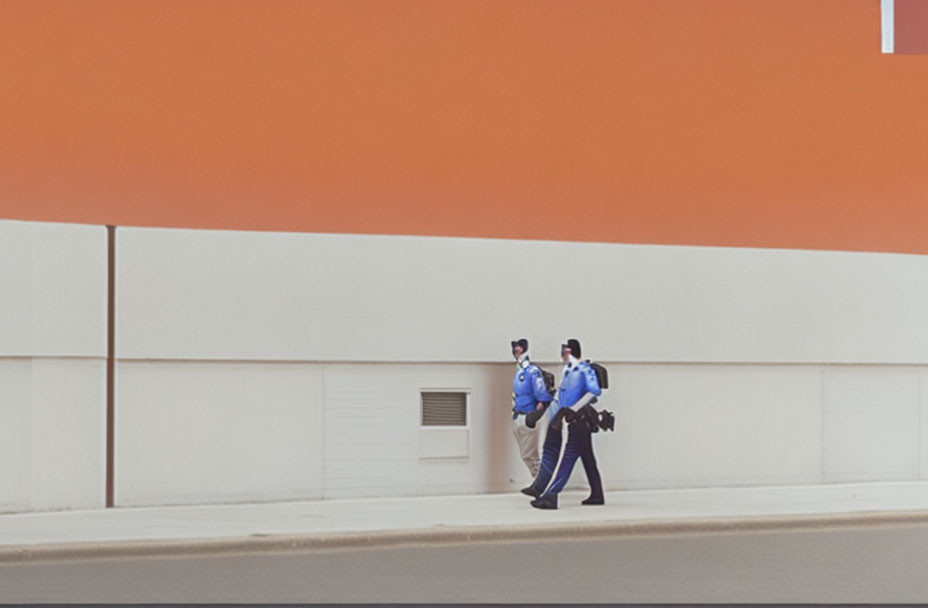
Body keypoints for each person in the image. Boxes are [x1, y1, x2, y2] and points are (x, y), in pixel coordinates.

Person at [529, 338, 605, 510]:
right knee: (588, 459)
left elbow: (594, 391)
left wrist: (573, 409)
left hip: (577, 421)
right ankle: (597, 494)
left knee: (566, 458)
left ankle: (550, 496)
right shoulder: (567, 370)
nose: (562, 355)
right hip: (570, 419)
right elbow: (561, 395)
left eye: (565, 351)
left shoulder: (584, 369)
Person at [510, 338, 552, 484]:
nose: (516, 350)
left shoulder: (532, 371)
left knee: (530, 455)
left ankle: (542, 484)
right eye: (514, 348)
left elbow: (542, 395)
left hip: (529, 416)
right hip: (518, 415)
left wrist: (534, 416)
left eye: (518, 348)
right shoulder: (518, 371)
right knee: (525, 455)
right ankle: (540, 483)